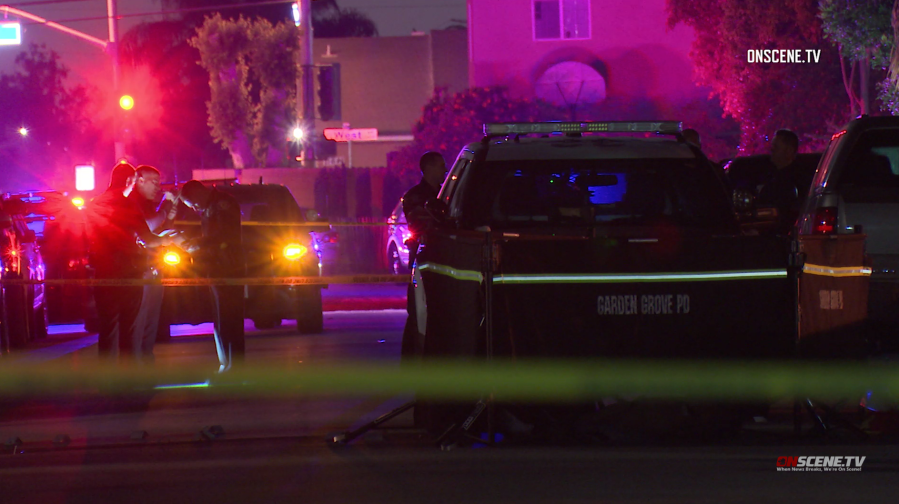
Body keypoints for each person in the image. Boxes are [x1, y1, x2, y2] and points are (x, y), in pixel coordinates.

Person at [178, 180, 245, 373]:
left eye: (192, 203)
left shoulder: (222, 204)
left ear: (198, 193)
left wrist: (197, 244)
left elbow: (222, 235)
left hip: (229, 266)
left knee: (230, 317)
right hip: (218, 266)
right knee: (221, 318)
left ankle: (235, 366)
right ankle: (227, 364)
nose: (193, 208)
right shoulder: (212, 205)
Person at [86, 162, 146, 361]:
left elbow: (87, 236)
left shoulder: (95, 203)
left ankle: (106, 378)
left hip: (103, 271)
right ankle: (127, 378)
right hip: (129, 271)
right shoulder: (128, 204)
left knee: (107, 327)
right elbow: (145, 234)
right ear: (129, 181)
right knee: (129, 327)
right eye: (133, 183)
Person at [129, 165, 180, 365]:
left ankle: (146, 360)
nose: (158, 187)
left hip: (153, 268)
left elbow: (159, 229)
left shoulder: (149, 204)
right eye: (154, 182)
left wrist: (170, 217)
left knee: (151, 321)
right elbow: (147, 227)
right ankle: (137, 365)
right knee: (140, 322)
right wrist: (165, 210)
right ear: (139, 180)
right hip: (139, 270)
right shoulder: (133, 202)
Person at [400, 151, 447, 359]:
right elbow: (423, 223)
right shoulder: (415, 196)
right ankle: (412, 358)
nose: (444, 171)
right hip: (422, 258)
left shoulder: (446, 194)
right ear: (428, 168)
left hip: (443, 258)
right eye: (440, 166)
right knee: (417, 310)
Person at [756, 129, 811, 235]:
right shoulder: (770, 178)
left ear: (789, 151)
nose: (771, 151)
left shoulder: (798, 182)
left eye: (776, 147)